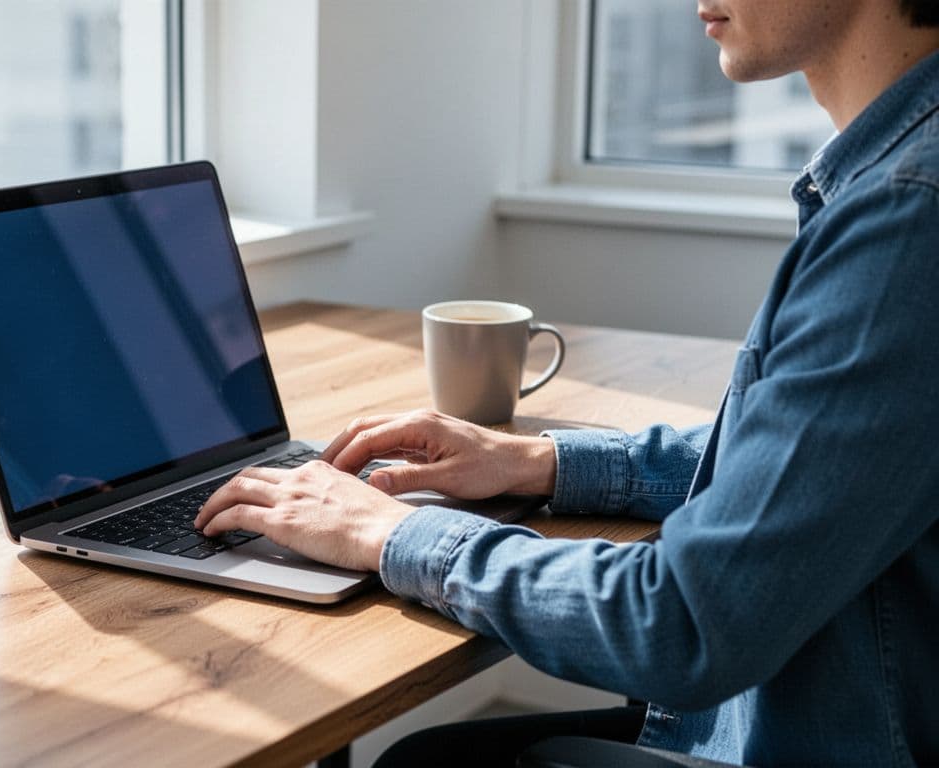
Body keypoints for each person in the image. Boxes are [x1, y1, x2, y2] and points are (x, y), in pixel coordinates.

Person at [193, 1, 939, 764]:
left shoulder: (906, 219)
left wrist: (387, 532)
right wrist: (541, 462)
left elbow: (684, 624)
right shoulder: (895, 180)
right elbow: (810, 467)